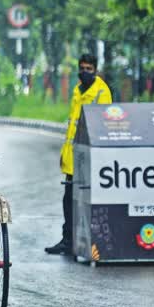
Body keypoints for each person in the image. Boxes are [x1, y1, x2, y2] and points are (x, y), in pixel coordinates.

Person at [45, 54, 112, 255]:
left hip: (90, 157)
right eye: (82, 68)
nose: (84, 72)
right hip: (74, 157)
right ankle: (68, 241)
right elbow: (72, 126)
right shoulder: (77, 90)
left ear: (96, 70)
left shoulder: (102, 92)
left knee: (89, 201)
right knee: (69, 201)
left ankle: (92, 242)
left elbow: (104, 127)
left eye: (89, 69)